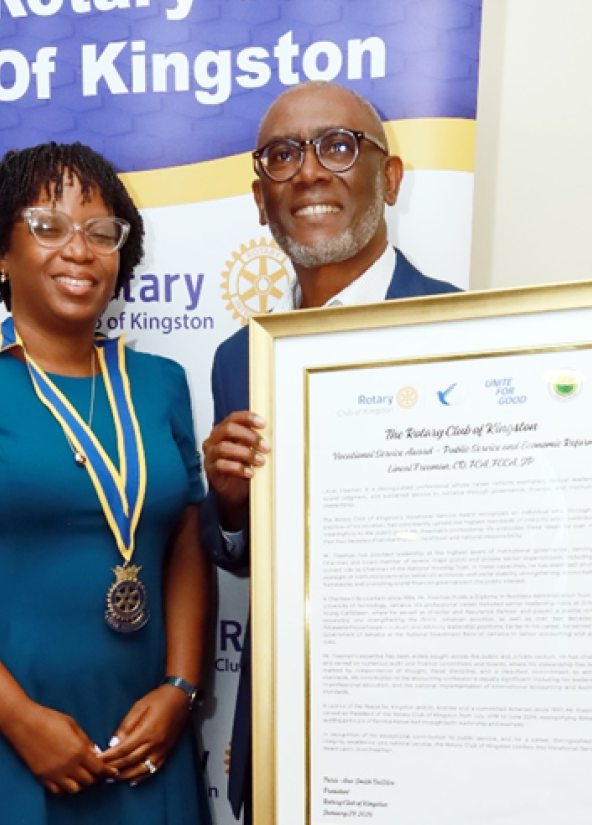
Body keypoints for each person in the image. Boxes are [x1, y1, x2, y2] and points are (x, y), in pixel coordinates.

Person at [0, 142, 212, 825]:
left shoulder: (160, 384)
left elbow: (185, 547)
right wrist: (19, 717)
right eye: (47, 226)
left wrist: (180, 686)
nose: (78, 248)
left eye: (101, 230)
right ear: (1, 249)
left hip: (141, 730)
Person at [200, 81, 460, 821]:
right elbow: (242, 554)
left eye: (337, 146)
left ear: (392, 176)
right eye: (282, 155)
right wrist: (228, 501)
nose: (309, 172)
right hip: (289, 739)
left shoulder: (463, 331)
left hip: (429, 735)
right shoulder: (234, 359)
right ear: (260, 198)